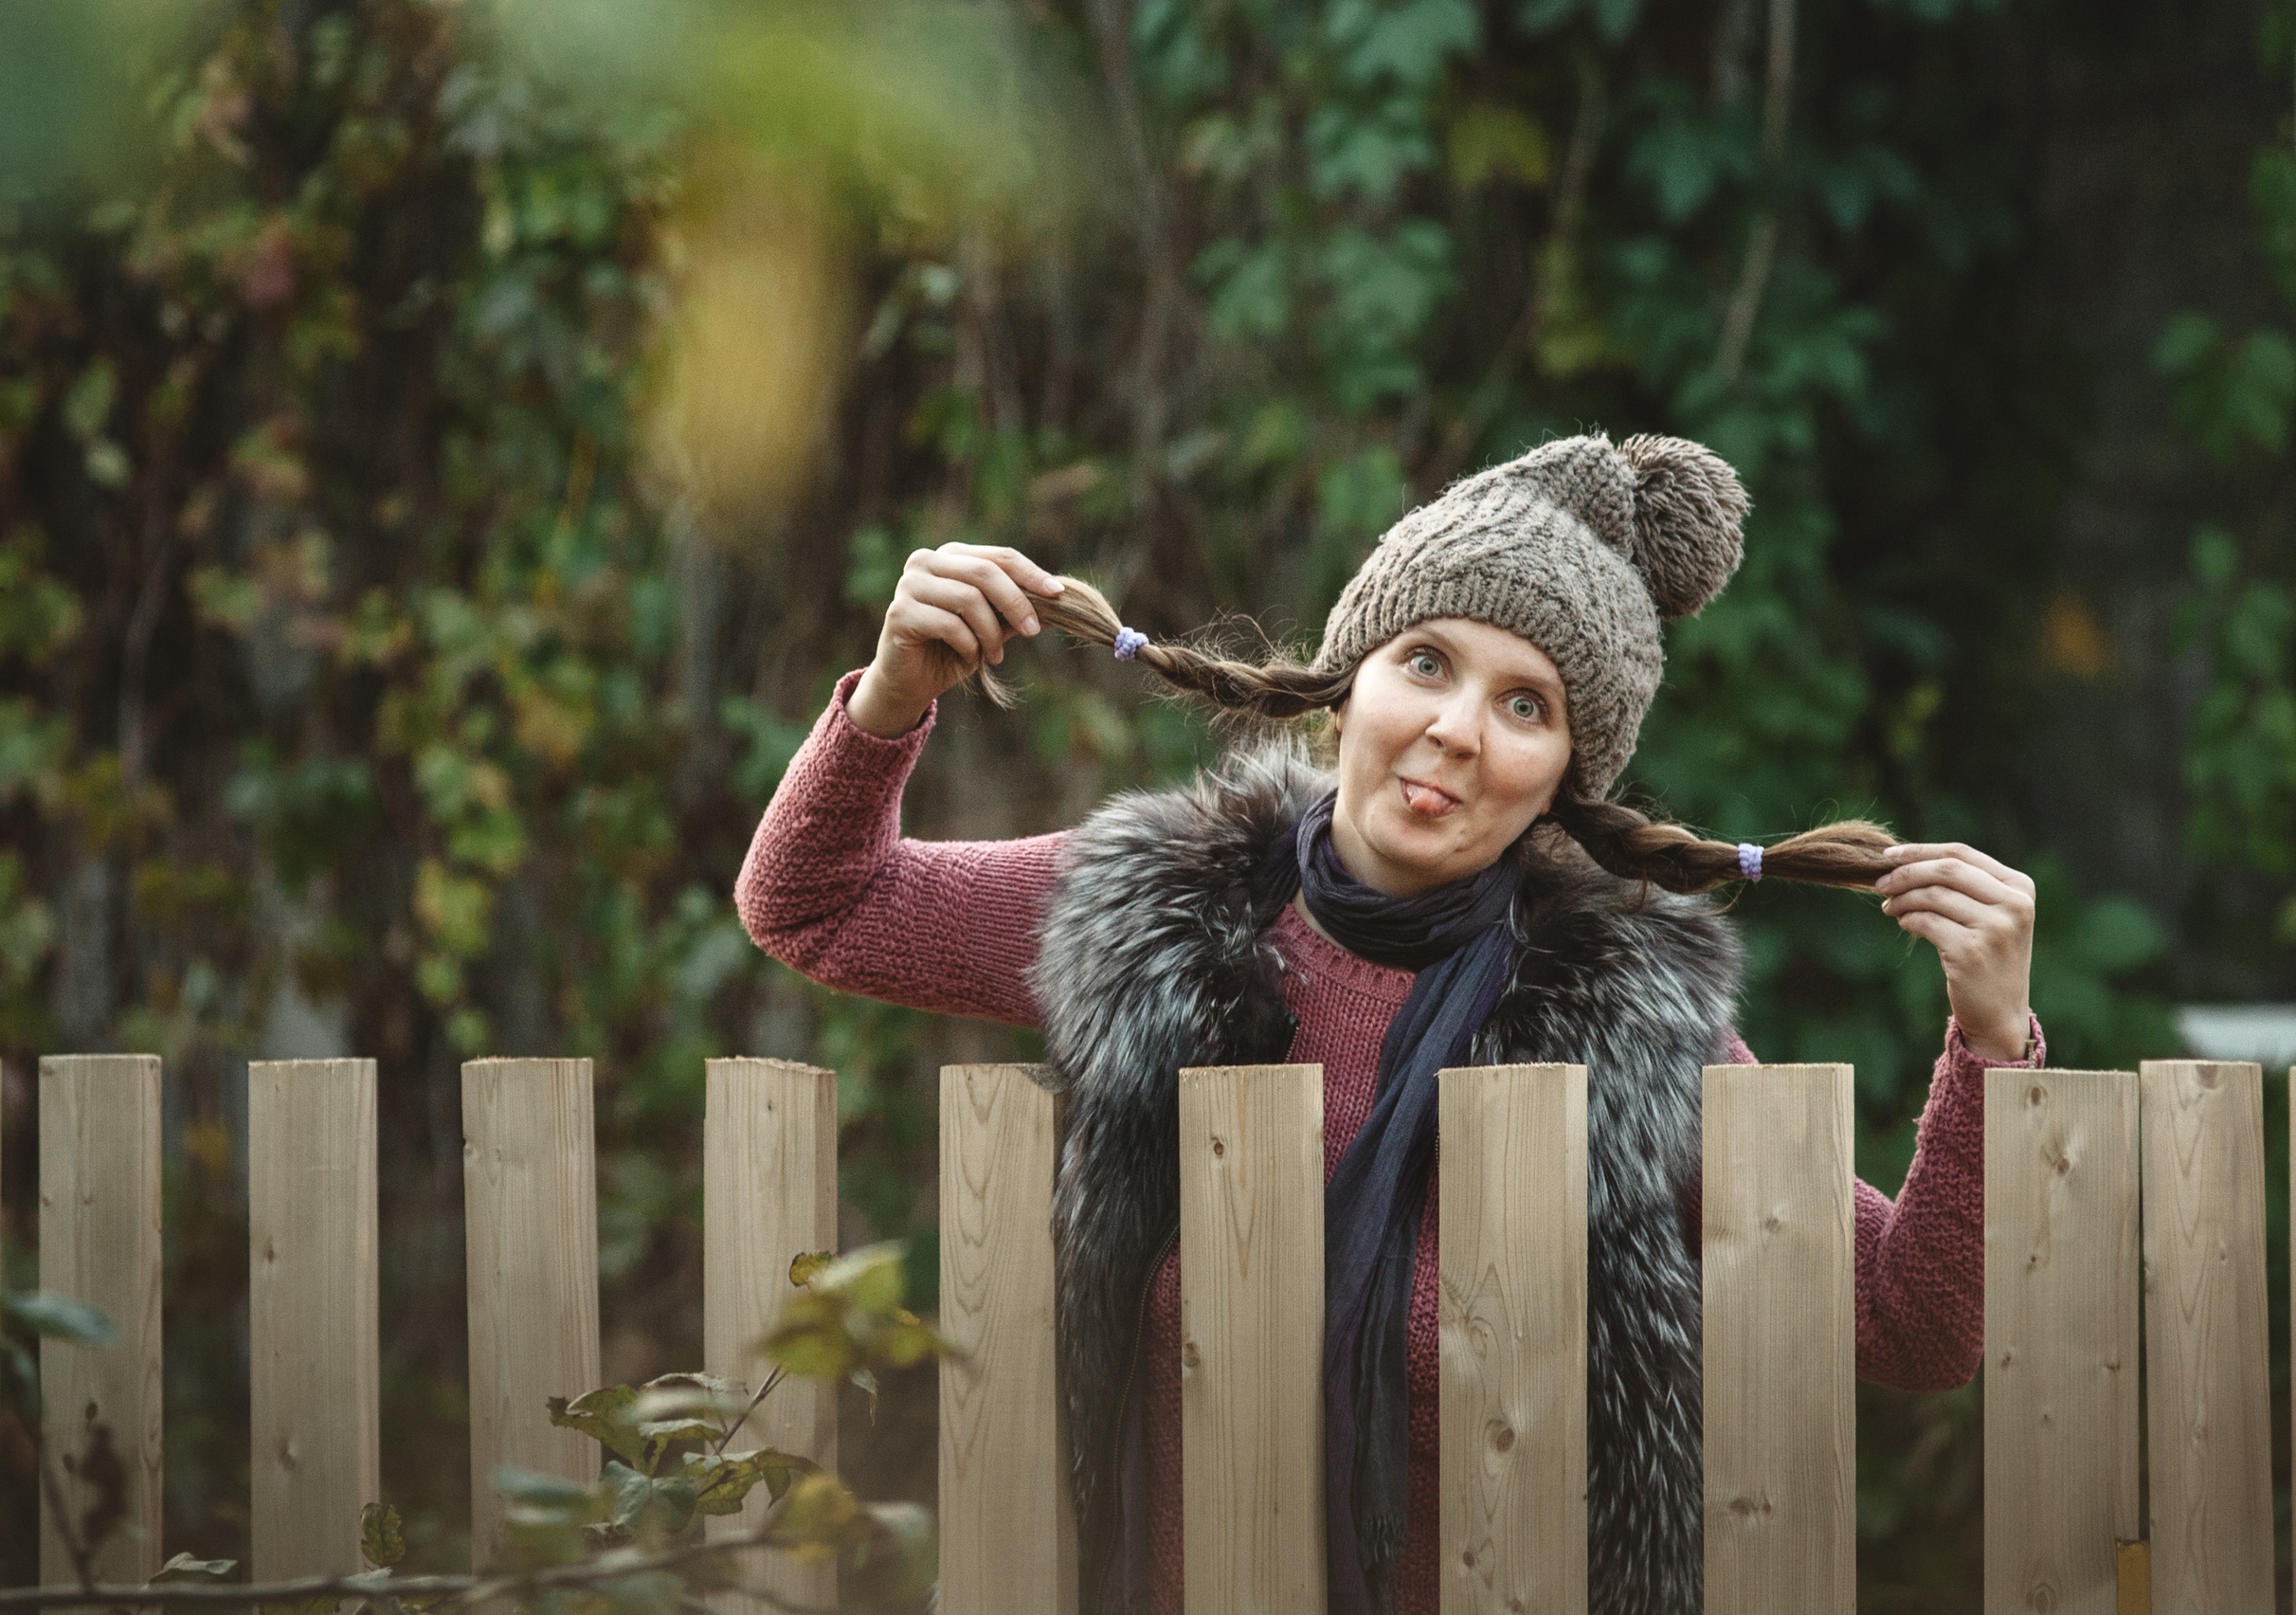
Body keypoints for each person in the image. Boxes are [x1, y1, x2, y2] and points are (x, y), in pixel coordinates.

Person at [735, 433, 2039, 1615]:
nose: (1457, 731)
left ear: (1564, 781)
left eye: (1527, 705)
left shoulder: (1624, 1022)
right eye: (1427, 663)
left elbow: (1913, 1325)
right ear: (1351, 683)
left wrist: (1988, 1041)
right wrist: (892, 696)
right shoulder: (1154, 908)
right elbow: (816, 908)